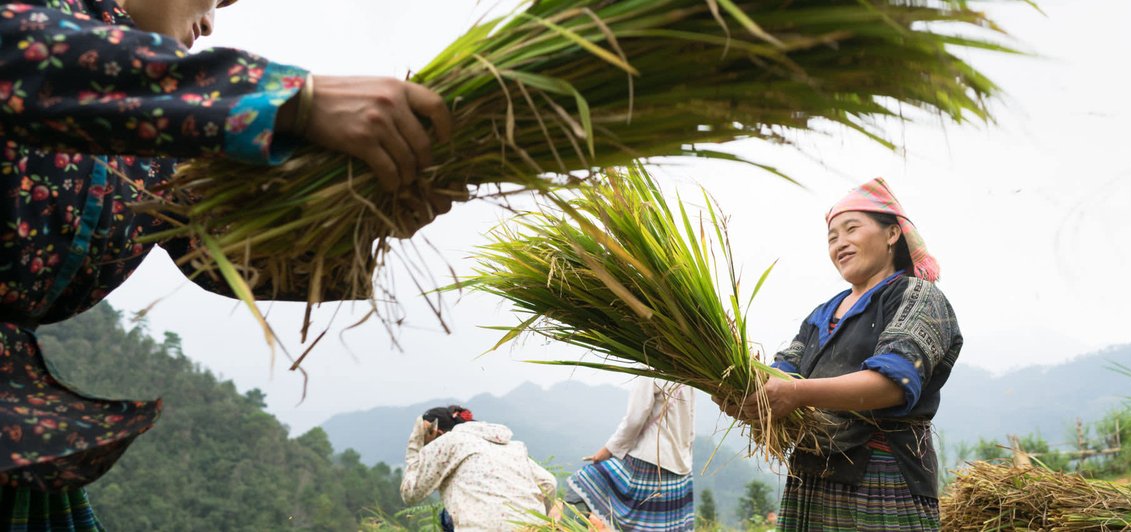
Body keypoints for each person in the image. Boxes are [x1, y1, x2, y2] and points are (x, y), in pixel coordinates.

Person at [0, 0, 458, 528]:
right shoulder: (42, 24)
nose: (211, 21)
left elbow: (231, 251)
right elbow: (30, 53)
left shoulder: (165, 139)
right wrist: (289, 100)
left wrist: (369, 211)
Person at [718, 178, 962, 531]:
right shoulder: (822, 313)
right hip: (812, 477)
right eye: (832, 237)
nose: (840, 243)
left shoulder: (916, 296)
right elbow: (781, 375)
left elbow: (892, 383)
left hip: (882, 475)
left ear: (892, 234)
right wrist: (739, 391)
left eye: (851, 229)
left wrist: (795, 394)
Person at [566, 377, 696, 531]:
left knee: (583, 481)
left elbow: (634, 420)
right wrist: (685, 460)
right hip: (680, 469)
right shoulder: (686, 367)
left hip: (648, 464)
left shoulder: (650, 366)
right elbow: (691, 420)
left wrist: (608, 450)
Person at [400, 405, 557, 531]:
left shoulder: (448, 442)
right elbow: (549, 483)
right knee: (447, 515)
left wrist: (415, 446)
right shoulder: (512, 447)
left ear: (437, 433)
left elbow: (410, 493)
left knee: (446, 518)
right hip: (530, 527)